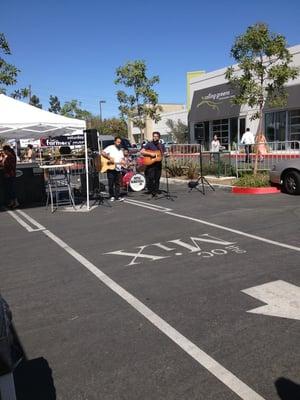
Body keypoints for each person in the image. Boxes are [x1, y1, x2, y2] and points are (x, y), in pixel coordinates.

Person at [141, 131, 166, 199]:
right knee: (151, 179)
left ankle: (156, 192)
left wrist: (167, 155)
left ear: (159, 137)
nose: (155, 137)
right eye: (154, 136)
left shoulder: (161, 145)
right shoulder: (149, 144)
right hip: (151, 164)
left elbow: (164, 153)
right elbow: (142, 151)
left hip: (158, 164)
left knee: (157, 179)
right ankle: (152, 192)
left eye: (156, 136)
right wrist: (150, 154)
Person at [101, 136, 125, 202]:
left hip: (118, 168)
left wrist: (123, 162)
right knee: (111, 183)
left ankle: (117, 196)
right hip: (110, 167)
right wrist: (109, 157)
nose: (119, 143)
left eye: (120, 142)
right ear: (115, 142)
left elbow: (122, 159)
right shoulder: (110, 147)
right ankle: (111, 195)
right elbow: (102, 152)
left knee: (117, 183)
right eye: (118, 142)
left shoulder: (121, 150)